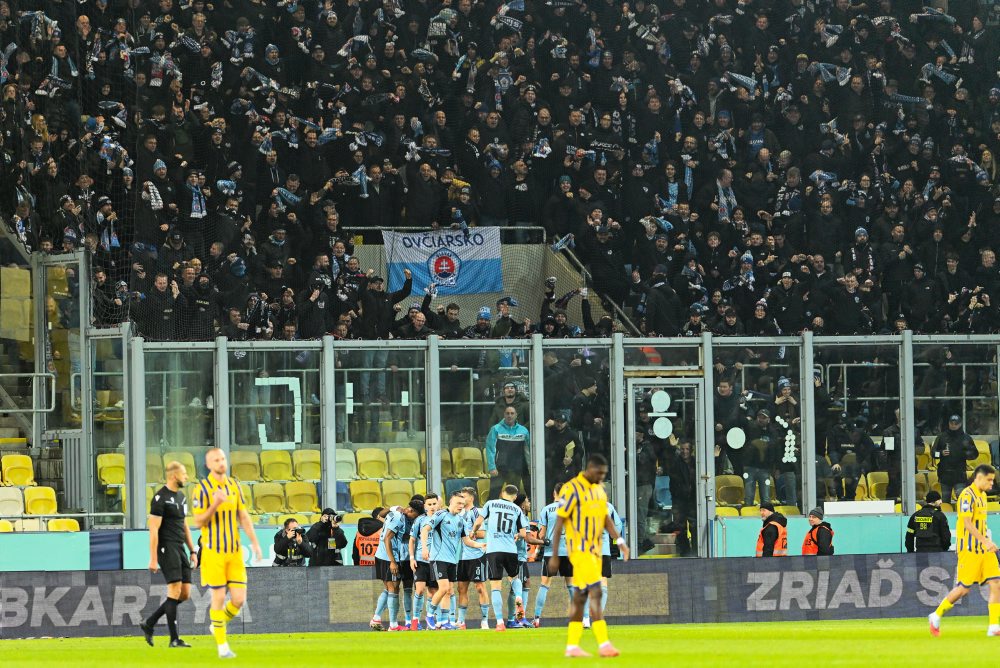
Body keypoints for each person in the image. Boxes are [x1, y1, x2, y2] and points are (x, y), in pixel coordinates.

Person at [548, 454, 630, 658]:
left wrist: (619, 542)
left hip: (596, 550)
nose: (602, 478)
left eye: (604, 475)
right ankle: (603, 643)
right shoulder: (571, 488)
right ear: (590, 468)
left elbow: (605, 518)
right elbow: (559, 523)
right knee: (596, 591)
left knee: (580, 596)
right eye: (599, 473)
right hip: (579, 550)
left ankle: (572, 646)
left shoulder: (599, 490)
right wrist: (555, 555)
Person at [192, 448, 263, 660]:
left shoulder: (234, 485)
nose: (221, 462)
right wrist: (215, 503)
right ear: (208, 464)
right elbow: (198, 521)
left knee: (239, 599)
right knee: (219, 596)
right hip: (213, 551)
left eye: (223, 458)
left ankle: (218, 623)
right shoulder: (202, 489)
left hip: (234, 551)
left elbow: (243, 516)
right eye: (216, 459)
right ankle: (223, 647)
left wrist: (255, 543)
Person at [928, 465, 1000, 637]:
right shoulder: (967, 496)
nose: (992, 484)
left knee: (996, 583)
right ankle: (936, 615)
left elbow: (980, 524)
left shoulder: (982, 496)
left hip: (984, 550)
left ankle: (994, 626)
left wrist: (987, 541)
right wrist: (985, 541)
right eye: (989, 480)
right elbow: (967, 523)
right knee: (963, 589)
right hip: (969, 550)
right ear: (979, 477)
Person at [140, 460, 198, 648]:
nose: (187, 477)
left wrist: (192, 550)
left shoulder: (181, 497)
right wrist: (153, 558)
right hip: (166, 547)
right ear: (174, 476)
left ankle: (149, 623)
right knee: (174, 590)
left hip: (179, 547)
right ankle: (174, 639)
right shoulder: (160, 498)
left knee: (185, 593)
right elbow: (153, 530)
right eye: (184, 473)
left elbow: (184, 525)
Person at [471, 484, 529, 630]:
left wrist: (473, 532)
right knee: (515, 579)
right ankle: (519, 602)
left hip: (494, 550)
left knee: (495, 586)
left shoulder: (490, 504)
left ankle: (499, 623)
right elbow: (523, 534)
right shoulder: (517, 509)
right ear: (515, 497)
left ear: (502, 493)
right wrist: (516, 535)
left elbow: (478, 522)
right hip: (511, 550)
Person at [425, 492, 485, 630]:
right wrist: (424, 549)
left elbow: (466, 541)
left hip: (452, 560)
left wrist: (480, 545)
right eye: (458, 503)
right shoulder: (441, 515)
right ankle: (429, 616)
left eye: (463, 505)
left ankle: (445, 621)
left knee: (449, 590)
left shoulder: (461, 520)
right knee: (444, 588)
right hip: (438, 558)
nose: (461, 506)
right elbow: (425, 529)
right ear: (451, 502)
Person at [370, 499, 424, 631]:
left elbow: (379, 516)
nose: (413, 519)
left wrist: (391, 507)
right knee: (393, 589)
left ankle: (377, 618)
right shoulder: (399, 518)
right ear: (411, 510)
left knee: (391, 588)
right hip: (388, 557)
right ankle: (393, 625)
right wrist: (393, 562)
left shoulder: (395, 512)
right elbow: (387, 538)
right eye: (414, 516)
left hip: (383, 555)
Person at [534, 483, 571, 628]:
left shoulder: (547, 509)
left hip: (551, 552)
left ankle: (537, 618)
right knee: (572, 586)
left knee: (544, 585)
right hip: (569, 552)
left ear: (554, 493)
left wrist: (541, 538)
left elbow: (541, 534)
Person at [582, 500, 624, 629]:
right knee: (603, 583)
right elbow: (617, 526)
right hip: (604, 550)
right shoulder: (608, 506)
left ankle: (585, 619)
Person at [457, 487, 491, 630]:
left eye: (464, 496)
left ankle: (485, 621)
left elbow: (482, 533)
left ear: (471, 498)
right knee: (461, 588)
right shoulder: (459, 513)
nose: (462, 499)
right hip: (461, 556)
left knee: (480, 587)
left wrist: (472, 533)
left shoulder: (476, 512)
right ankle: (460, 621)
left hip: (476, 555)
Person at [409, 493, 440, 630]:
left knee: (433, 592)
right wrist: (411, 558)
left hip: (437, 560)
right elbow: (412, 540)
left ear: (438, 504)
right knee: (420, 590)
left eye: (434, 504)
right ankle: (415, 620)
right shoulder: (420, 520)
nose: (432, 507)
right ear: (425, 506)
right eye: (429, 504)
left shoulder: (441, 518)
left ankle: (430, 619)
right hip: (421, 560)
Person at [485, 406, 531, 498]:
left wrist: (530, 466)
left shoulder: (524, 431)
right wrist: (492, 467)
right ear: (504, 415)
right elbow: (490, 449)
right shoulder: (496, 429)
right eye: (507, 413)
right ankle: (489, 512)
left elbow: (528, 451)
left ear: (516, 415)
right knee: (493, 496)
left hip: (516, 469)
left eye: (512, 413)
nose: (510, 415)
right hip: (499, 469)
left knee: (513, 497)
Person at [931, 415, 978, 504]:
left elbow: (975, 454)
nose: (953, 425)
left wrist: (965, 454)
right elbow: (933, 453)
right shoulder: (941, 437)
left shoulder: (966, 438)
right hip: (945, 474)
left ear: (960, 424)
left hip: (959, 474)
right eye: (951, 423)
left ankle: (962, 517)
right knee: (945, 502)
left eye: (956, 424)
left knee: (962, 500)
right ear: (948, 423)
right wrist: (941, 453)